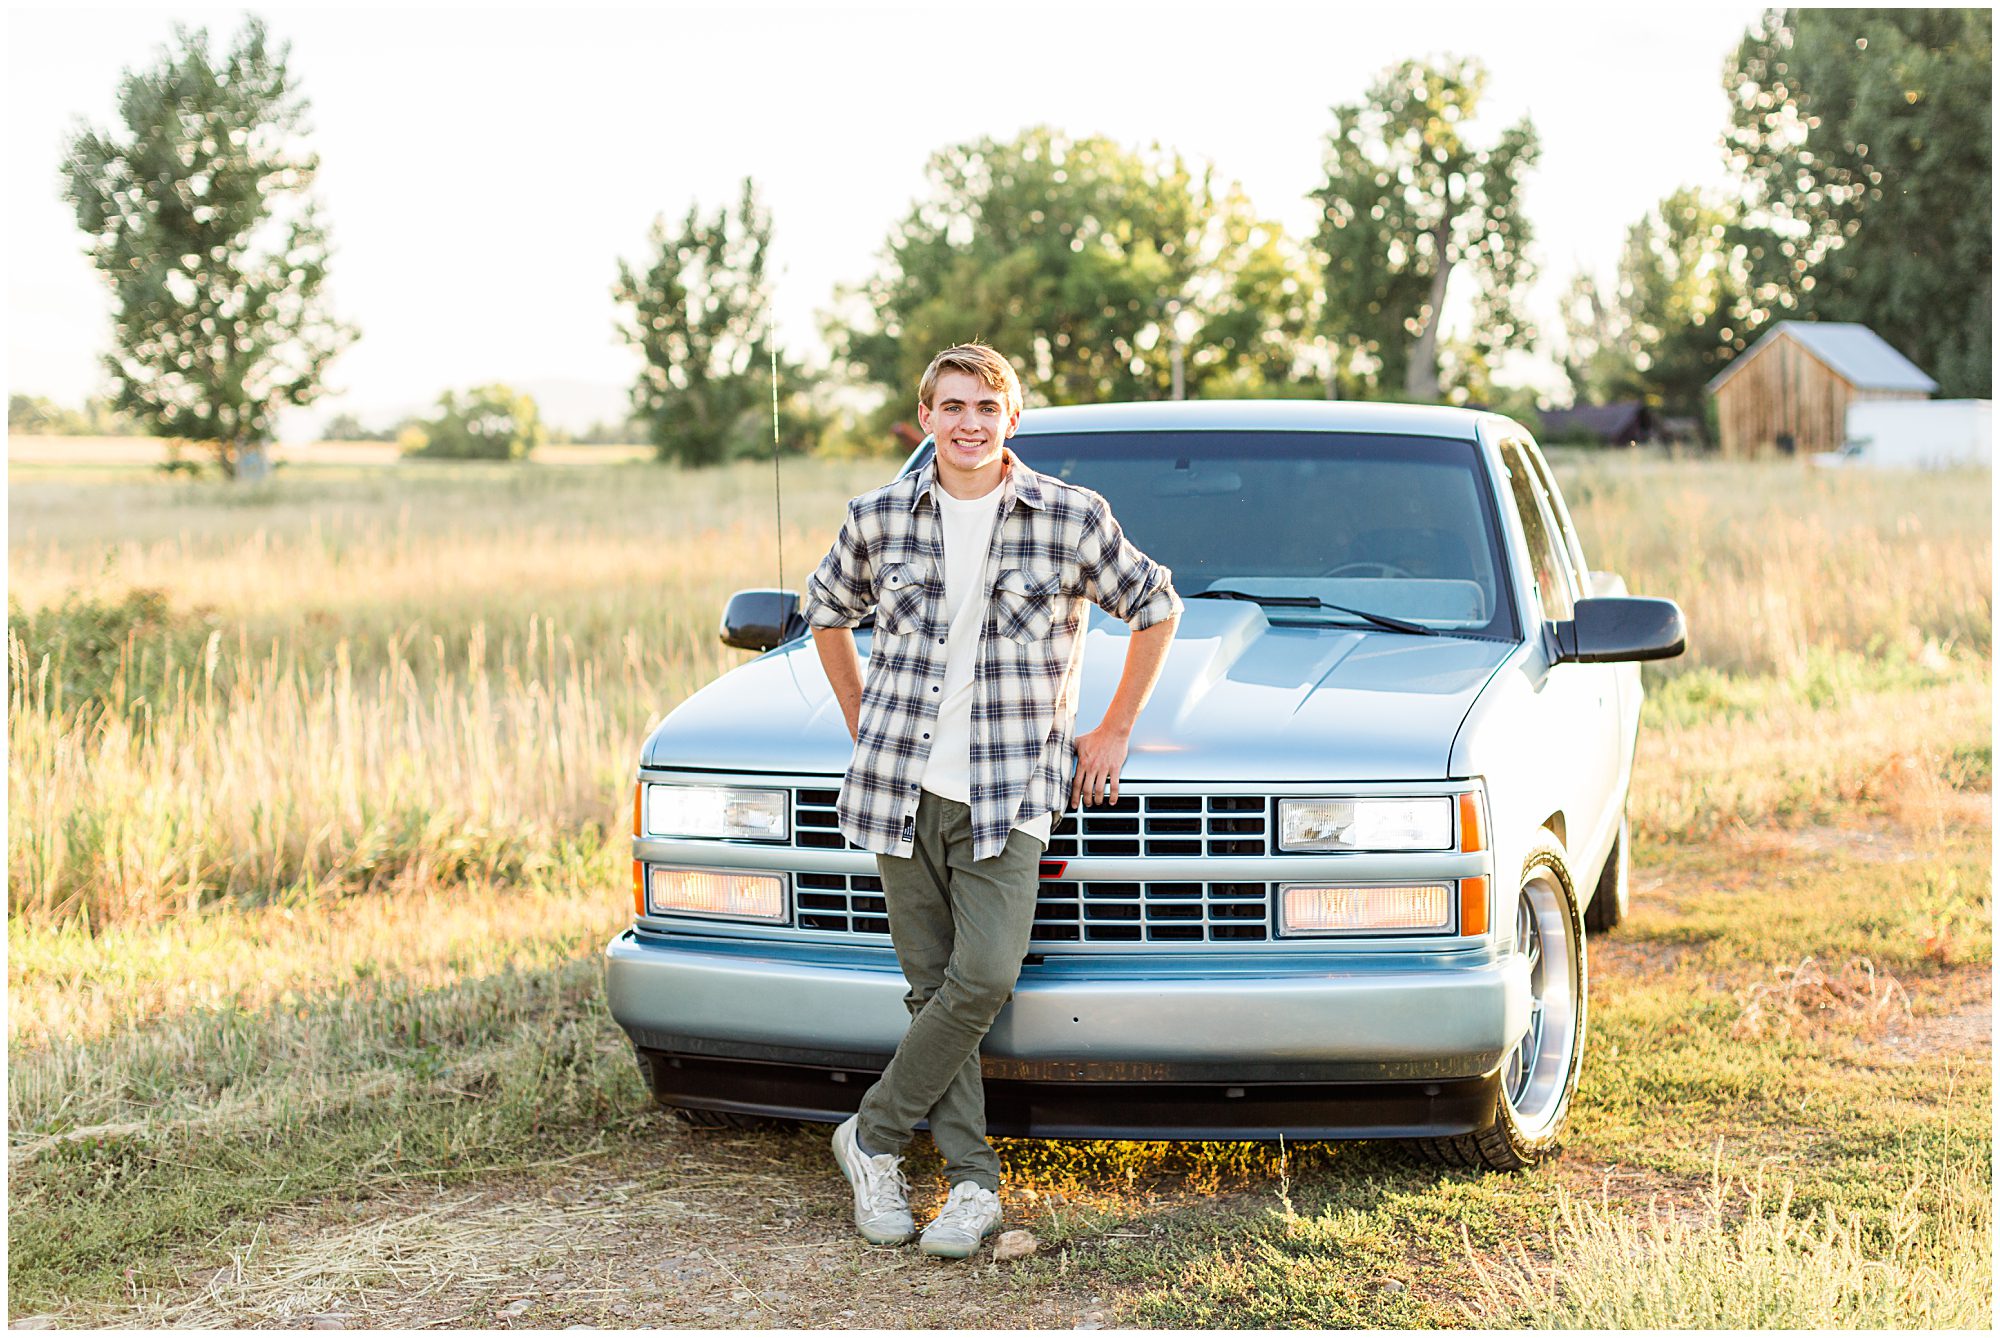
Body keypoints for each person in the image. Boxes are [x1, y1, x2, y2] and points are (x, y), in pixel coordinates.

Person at [803, 343, 1182, 1258]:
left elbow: (1157, 603)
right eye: (952, 406)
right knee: (934, 988)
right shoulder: (879, 515)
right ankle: (971, 1187)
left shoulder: (1069, 515)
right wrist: (861, 717)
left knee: (983, 978)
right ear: (925, 415)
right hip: (900, 786)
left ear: (1012, 418)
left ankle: (874, 1134)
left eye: (988, 407)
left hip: (1008, 789)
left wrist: (1116, 727)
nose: (969, 423)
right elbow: (824, 611)